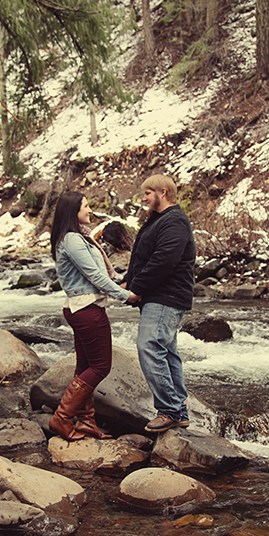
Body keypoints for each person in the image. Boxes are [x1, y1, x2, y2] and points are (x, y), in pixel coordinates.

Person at [49, 191, 139, 440]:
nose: (90, 210)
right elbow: (95, 277)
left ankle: (86, 420)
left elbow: (100, 274)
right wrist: (125, 296)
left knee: (85, 366)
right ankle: (63, 417)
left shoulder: (76, 238)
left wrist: (120, 284)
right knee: (100, 367)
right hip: (87, 309)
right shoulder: (74, 240)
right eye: (85, 206)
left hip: (80, 307)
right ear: (73, 212)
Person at [124, 174, 197, 433]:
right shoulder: (159, 221)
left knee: (149, 347)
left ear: (163, 192)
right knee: (167, 353)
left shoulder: (174, 220)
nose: (143, 198)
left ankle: (169, 410)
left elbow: (164, 260)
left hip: (166, 297)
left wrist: (137, 288)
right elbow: (144, 258)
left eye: (148, 193)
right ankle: (179, 410)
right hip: (160, 296)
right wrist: (127, 281)